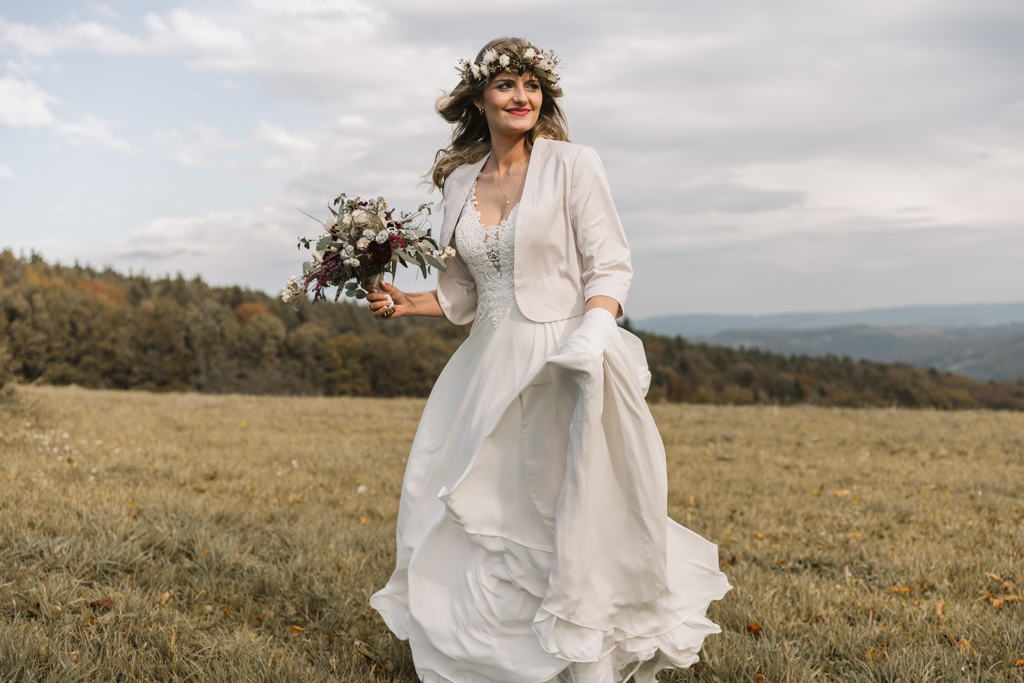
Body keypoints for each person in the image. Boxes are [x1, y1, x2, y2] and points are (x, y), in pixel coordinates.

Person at [366, 37, 731, 683]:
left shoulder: (573, 164)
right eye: (506, 85)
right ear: (479, 99)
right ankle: (494, 658)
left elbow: (610, 263)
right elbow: (462, 295)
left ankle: (581, 659)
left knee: (564, 507)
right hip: (486, 366)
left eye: (531, 85)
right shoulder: (458, 182)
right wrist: (403, 302)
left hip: (567, 356)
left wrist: (591, 335)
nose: (521, 96)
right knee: (470, 504)